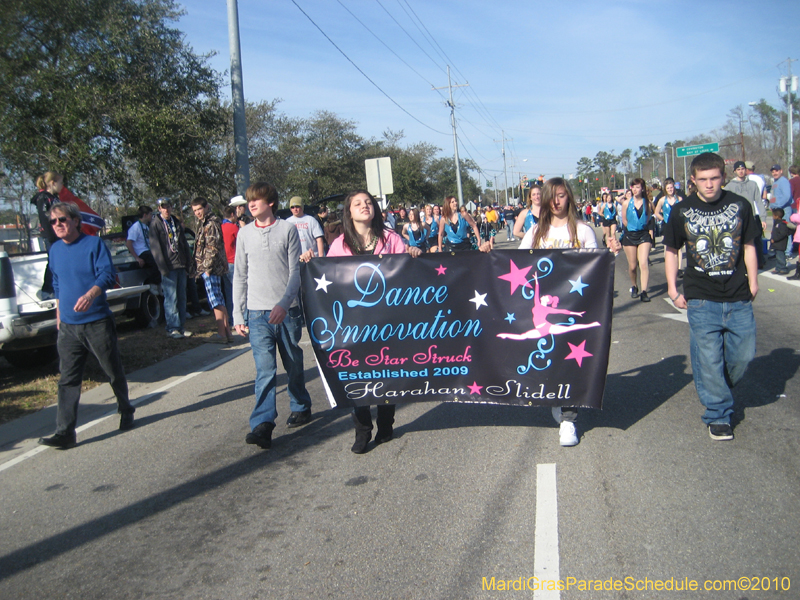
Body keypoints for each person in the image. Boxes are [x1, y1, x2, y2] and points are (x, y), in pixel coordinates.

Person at [300, 190, 425, 453]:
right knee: (357, 372)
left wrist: (411, 253)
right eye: (358, 204)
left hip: (388, 322)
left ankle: (386, 422)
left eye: (368, 202)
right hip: (354, 323)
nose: (364, 206)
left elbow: (405, 270)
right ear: (349, 212)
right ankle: (362, 429)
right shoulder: (341, 244)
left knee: (386, 371)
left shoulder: (391, 238)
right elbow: (327, 274)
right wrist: (312, 261)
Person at [663, 152, 759, 441]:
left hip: (738, 294)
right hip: (701, 296)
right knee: (708, 357)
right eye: (703, 179)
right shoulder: (681, 210)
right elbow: (671, 250)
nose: (709, 184)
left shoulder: (740, 205)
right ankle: (717, 414)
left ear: (723, 177)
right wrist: (672, 287)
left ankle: (717, 384)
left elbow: (749, 245)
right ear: (693, 180)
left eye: (714, 178)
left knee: (743, 355)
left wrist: (753, 282)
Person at [38, 202, 134, 449]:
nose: (57, 225)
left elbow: (106, 275)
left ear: (75, 221)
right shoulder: (55, 250)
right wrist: (60, 315)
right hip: (69, 327)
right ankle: (65, 432)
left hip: (96, 322)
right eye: (53, 221)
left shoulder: (94, 244)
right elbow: (57, 283)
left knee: (112, 370)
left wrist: (91, 295)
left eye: (62, 220)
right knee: (68, 380)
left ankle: (125, 408)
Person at [514, 178, 599, 447]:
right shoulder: (537, 232)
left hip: (573, 306)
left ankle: (568, 419)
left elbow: (597, 268)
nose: (557, 201)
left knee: (570, 361)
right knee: (551, 359)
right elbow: (518, 264)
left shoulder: (583, 231)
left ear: (569, 198)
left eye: (562, 196)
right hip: (542, 312)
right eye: (553, 196)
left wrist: (613, 255)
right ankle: (557, 401)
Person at [234, 182, 313, 450]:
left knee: (292, 363)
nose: (251, 204)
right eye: (249, 201)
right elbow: (240, 276)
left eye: (256, 200)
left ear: (270, 203)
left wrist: (284, 303)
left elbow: (295, 273)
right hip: (256, 314)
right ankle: (263, 424)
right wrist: (238, 313)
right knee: (265, 370)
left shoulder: (287, 230)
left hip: (287, 312)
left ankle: (300, 404)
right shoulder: (243, 234)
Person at [149, 198, 194, 339]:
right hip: (168, 267)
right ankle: (172, 328)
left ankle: (181, 326)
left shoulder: (175, 221)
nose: (166, 209)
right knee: (171, 298)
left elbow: (183, 243)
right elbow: (155, 248)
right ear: (159, 209)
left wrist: (189, 263)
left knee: (181, 296)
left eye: (168, 206)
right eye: (163, 207)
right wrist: (163, 268)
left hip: (180, 264)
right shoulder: (156, 224)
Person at [191, 197, 233, 343]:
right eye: (195, 210)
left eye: (199, 209)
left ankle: (222, 334)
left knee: (215, 301)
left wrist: (207, 268)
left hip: (212, 268)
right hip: (210, 267)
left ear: (206, 207)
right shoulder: (205, 223)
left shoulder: (211, 223)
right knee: (218, 299)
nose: (197, 213)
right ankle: (227, 333)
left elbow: (212, 247)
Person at [725, 161, 766, 268]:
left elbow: (759, 201)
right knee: (738, 243)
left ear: (746, 170)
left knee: (754, 242)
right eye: (738, 169)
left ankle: (758, 263)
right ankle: (740, 264)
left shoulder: (752, 184)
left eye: (742, 169)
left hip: (751, 218)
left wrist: (763, 218)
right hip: (737, 219)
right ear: (735, 171)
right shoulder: (730, 186)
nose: (741, 171)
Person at [621, 178, 654, 302]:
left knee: (643, 262)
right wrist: (630, 228)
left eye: (637, 187)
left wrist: (650, 233)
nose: (635, 190)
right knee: (633, 266)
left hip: (643, 235)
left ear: (643, 188)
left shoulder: (648, 203)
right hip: (630, 235)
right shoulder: (626, 203)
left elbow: (650, 218)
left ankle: (644, 291)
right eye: (633, 187)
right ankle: (634, 285)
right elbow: (624, 220)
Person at [126, 205, 160, 286]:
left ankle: (158, 283)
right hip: (142, 252)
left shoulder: (146, 227)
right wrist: (137, 258)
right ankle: (151, 284)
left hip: (149, 250)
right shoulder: (135, 227)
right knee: (157, 263)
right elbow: (128, 243)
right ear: (145, 215)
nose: (151, 216)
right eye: (150, 214)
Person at [654, 178, 683, 273]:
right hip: (667, 225)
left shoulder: (679, 199)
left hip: (678, 225)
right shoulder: (662, 200)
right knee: (668, 247)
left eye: (671, 187)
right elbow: (656, 212)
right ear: (665, 189)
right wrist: (663, 219)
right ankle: (669, 266)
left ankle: (679, 268)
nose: (670, 189)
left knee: (679, 247)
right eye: (668, 188)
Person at [769, 208, 790, 274]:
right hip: (777, 244)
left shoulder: (782, 224)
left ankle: (783, 268)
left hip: (780, 244)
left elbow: (782, 234)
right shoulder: (776, 223)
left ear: (777, 216)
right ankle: (778, 268)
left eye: (773, 215)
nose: (773, 216)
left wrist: (774, 239)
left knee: (780, 257)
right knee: (777, 257)